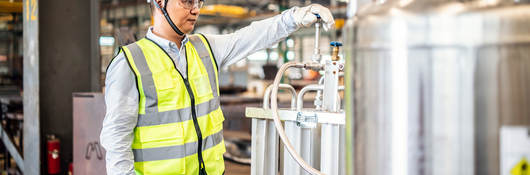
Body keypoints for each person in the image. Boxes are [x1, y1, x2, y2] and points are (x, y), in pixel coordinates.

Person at [100, 0, 334, 174]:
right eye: (187, 2)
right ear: (160, 2)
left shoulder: (205, 48)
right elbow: (116, 141)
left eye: (198, 2)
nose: (196, 9)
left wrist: (293, 17)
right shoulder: (130, 63)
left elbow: (252, 36)